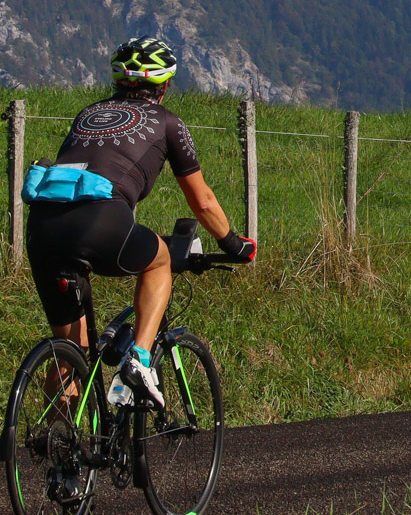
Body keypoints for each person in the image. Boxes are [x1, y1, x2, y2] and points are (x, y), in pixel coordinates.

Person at [26, 37, 256, 409]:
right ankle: (141, 361)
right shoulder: (168, 123)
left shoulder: (87, 113)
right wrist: (234, 243)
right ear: (164, 85)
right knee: (160, 259)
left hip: (42, 227)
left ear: (118, 82)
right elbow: (203, 201)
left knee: (71, 348)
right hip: (99, 220)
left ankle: (62, 451)